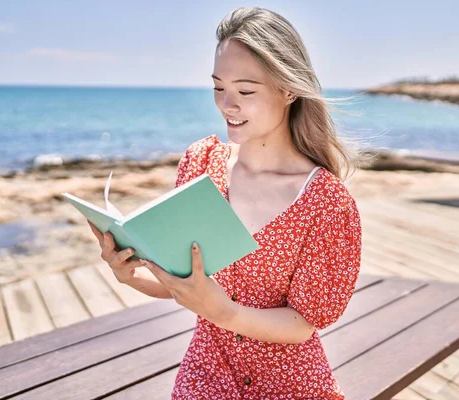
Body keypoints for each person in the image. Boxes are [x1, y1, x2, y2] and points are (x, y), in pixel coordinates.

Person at [88, 7, 361, 400]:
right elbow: (188, 282)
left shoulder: (326, 203)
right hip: (204, 378)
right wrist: (131, 275)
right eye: (218, 87)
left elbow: (303, 323)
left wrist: (226, 313)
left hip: (289, 387)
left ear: (288, 89)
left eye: (245, 91)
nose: (227, 104)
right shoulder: (201, 164)